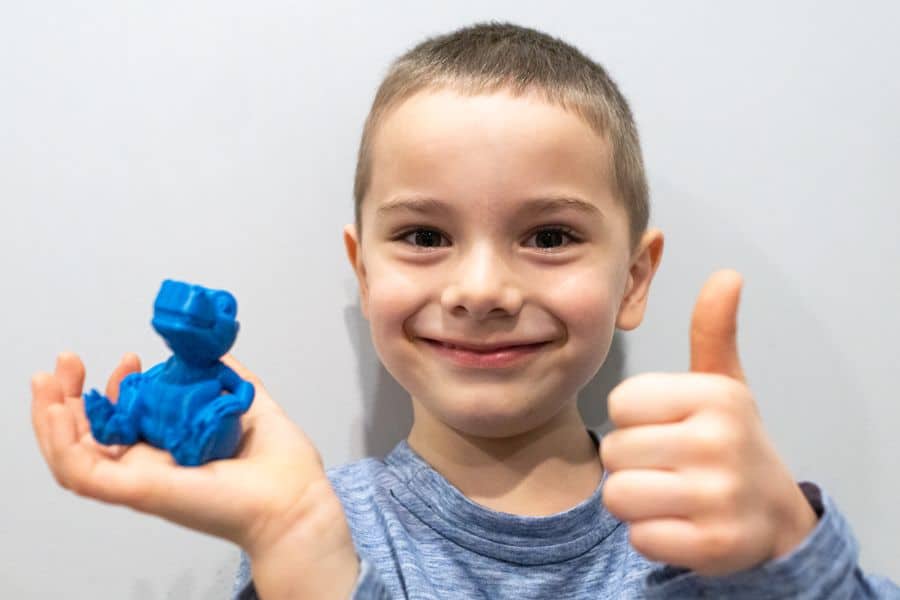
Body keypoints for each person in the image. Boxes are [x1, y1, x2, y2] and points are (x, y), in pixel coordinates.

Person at [31, 22, 899, 600]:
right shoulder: (312, 521)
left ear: (634, 281)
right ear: (363, 273)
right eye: (423, 235)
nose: (481, 288)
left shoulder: (716, 521)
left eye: (551, 236)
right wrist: (296, 544)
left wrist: (788, 556)